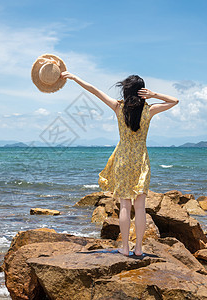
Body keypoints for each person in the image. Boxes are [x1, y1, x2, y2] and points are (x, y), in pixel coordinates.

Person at [61, 71, 178, 257]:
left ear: (126, 91)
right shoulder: (149, 110)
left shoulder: (118, 107)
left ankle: (124, 247)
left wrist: (74, 78)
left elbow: (94, 91)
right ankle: (138, 249)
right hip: (141, 160)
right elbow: (174, 101)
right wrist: (154, 95)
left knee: (125, 205)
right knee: (140, 206)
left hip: (123, 160)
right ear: (142, 91)